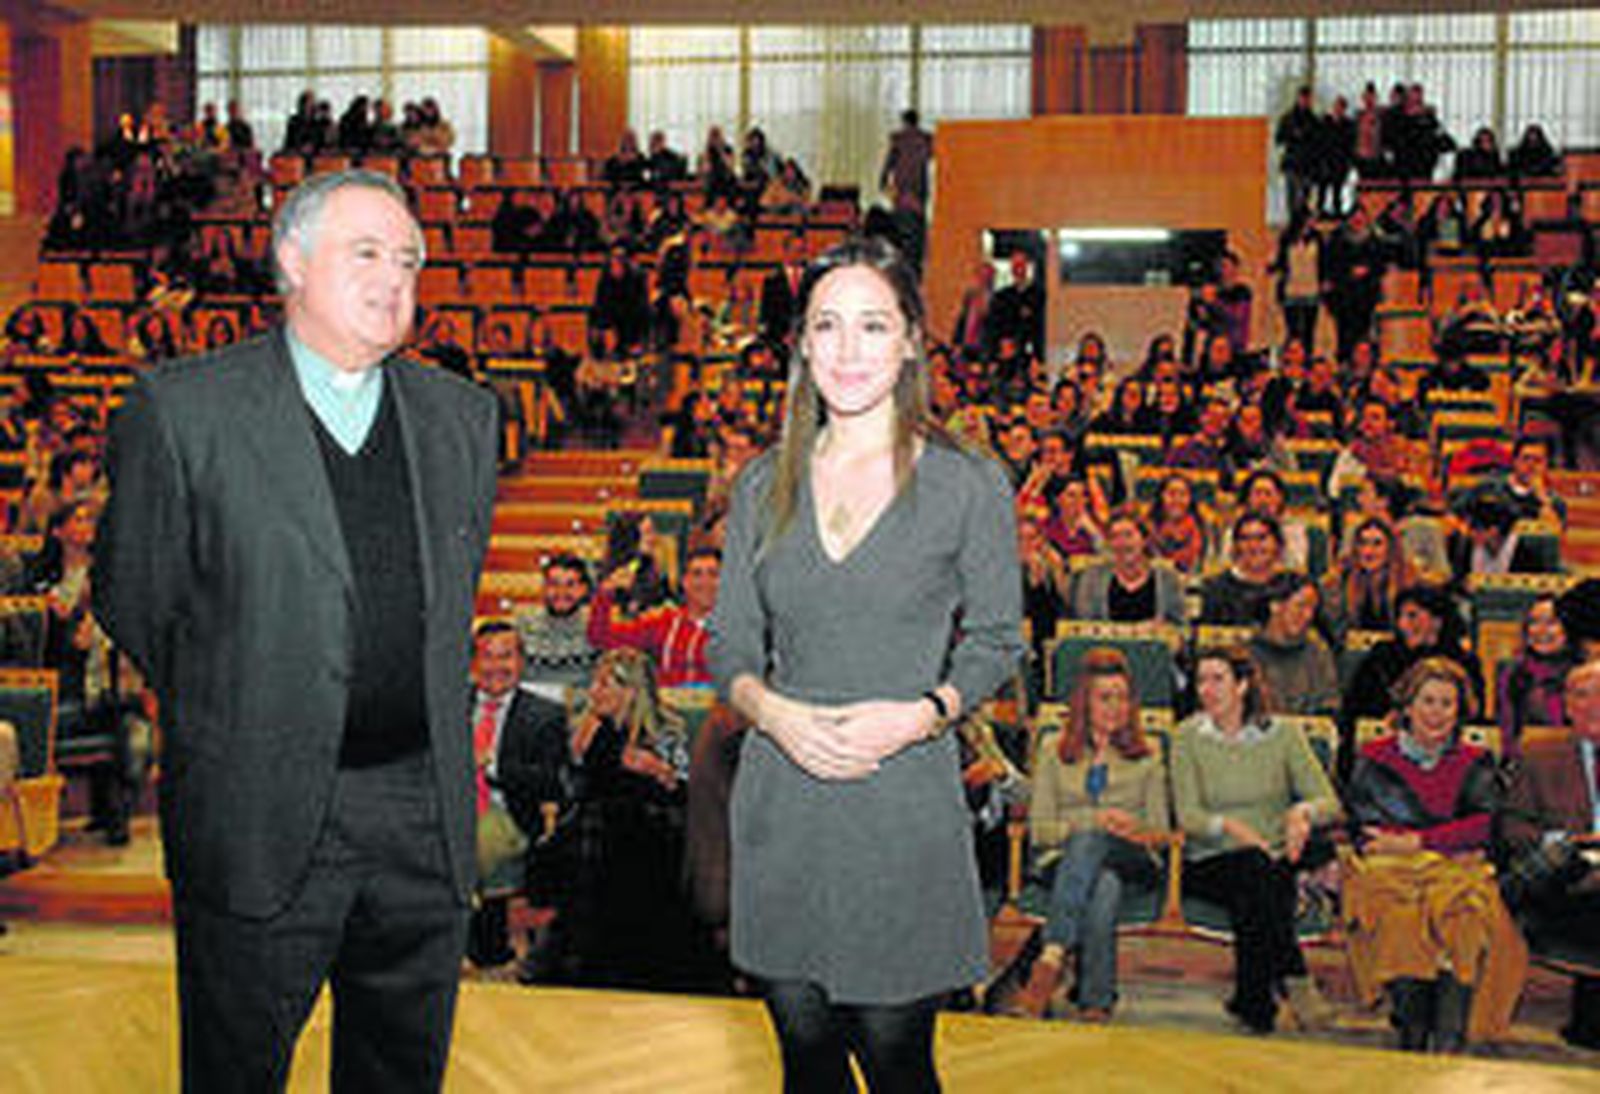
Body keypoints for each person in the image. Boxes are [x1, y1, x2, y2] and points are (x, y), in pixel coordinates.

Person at [92, 169, 500, 1092]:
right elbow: (133, 596)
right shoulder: (184, 409)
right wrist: (240, 699)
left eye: (409, 260)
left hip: (420, 813)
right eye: (368, 252)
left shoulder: (462, 419)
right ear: (292, 261)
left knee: (400, 1073)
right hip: (257, 811)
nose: (394, 277)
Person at [708, 236, 1023, 1091]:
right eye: (828, 325)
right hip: (784, 799)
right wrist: (772, 712)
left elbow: (999, 639)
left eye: (874, 325)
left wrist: (924, 712)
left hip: (901, 800)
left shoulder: (969, 483)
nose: (848, 349)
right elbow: (729, 643)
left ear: (913, 340)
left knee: (895, 1062)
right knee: (805, 1061)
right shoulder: (760, 483)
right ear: (802, 344)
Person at [1342, 658, 1525, 1051]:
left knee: (1469, 915)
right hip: (1393, 872)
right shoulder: (1374, 758)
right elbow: (1370, 833)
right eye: (1427, 701)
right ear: (1407, 706)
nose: (1436, 713)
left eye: (1447, 703)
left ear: (1459, 712)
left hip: (1455, 871)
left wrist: (1418, 841)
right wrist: (1445, 840)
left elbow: (1486, 826)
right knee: (1402, 916)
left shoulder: (1475, 760)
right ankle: (1413, 1033)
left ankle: (1449, 1037)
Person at [1170, 646, 1341, 1034]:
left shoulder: (1284, 735)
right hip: (1209, 860)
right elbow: (1188, 816)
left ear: (1243, 685)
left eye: (1218, 679)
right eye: (1201, 680)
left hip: (1274, 860)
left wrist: (1302, 812)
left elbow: (1329, 802)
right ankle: (1295, 977)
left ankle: (1253, 1001)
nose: (1206, 689)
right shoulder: (1186, 737)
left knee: (1258, 888)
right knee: (1258, 873)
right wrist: (1232, 827)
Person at [1014, 648, 1167, 1021]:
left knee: (1097, 850)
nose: (1116, 707)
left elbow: (1160, 833)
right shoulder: (1052, 750)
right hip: (1063, 861)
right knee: (1103, 885)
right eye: (1105, 698)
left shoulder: (1148, 753)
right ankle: (1096, 1003)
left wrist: (1133, 829)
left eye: (1123, 698)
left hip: (1132, 856)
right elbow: (1040, 831)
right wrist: (1093, 821)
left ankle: (1052, 955)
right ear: (1084, 702)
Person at [1498, 661, 1600, 1049]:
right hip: (1565, 879)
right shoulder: (1537, 752)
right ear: (1567, 706)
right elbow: (1513, 828)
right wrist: (1565, 844)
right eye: (1582, 695)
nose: (1594, 704)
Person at [464, 621, 568, 970]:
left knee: (482, 840)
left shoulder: (545, 714)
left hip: (508, 811)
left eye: (506, 656)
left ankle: (487, 949)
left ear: (521, 661)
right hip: (449, 807)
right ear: (473, 663)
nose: (496, 666)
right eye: (487, 657)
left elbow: (551, 780)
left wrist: (491, 765)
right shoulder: (448, 706)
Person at [589, 545, 721, 688]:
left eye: (714, 574)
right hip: (668, 701)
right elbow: (601, 637)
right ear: (685, 582)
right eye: (697, 574)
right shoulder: (666, 623)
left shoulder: (736, 628)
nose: (706, 582)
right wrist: (606, 591)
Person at [1069, 505, 1186, 627]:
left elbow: (1180, 626)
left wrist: (1161, 627)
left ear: (1144, 539)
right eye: (1115, 536)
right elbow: (1082, 626)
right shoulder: (1093, 578)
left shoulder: (1168, 578)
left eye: (1128, 535)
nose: (1122, 543)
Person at [1496, 594, 1580, 760]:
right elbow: (1508, 735)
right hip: (1530, 761)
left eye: (1551, 622)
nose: (1541, 630)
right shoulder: (1513, 673)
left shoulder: (1585, 672)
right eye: (1534, 622)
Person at [1249, 572, 1340, 718]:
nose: (1308, 616)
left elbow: (1329, 703)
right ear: (1275, 605)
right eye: (1300, 606)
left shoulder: (1318, 653)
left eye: (1312, 609)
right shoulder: (1248, 654)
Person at [513, 553, 599, 702]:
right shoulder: (521, 626)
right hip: (532, 707)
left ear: (583, 589)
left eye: (570, 585)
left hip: (580, 708)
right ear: (544, 588)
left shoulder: (597, 626)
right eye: (554, 584)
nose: (561, 592)